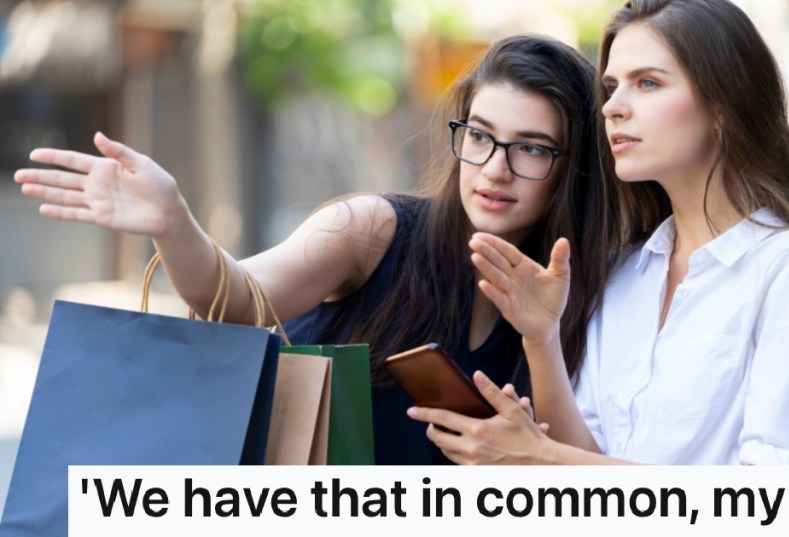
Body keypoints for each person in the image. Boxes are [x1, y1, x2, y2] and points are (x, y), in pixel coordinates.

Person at [13, 34, 634, 465]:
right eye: (479, 136)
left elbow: (573, 473)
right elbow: (236, 301)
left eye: (530, 148)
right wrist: (175, 222)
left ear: (570, 166)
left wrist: (541, 336)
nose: (494, 168)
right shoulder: (374, 229)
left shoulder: (595, 290)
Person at [407, 0, 789, 465]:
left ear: (722, 106)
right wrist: (542, 340)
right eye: (611, 87)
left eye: (647, 83)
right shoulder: (624, 272)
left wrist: (540, 457)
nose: (612, 107)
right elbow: (585, 470)